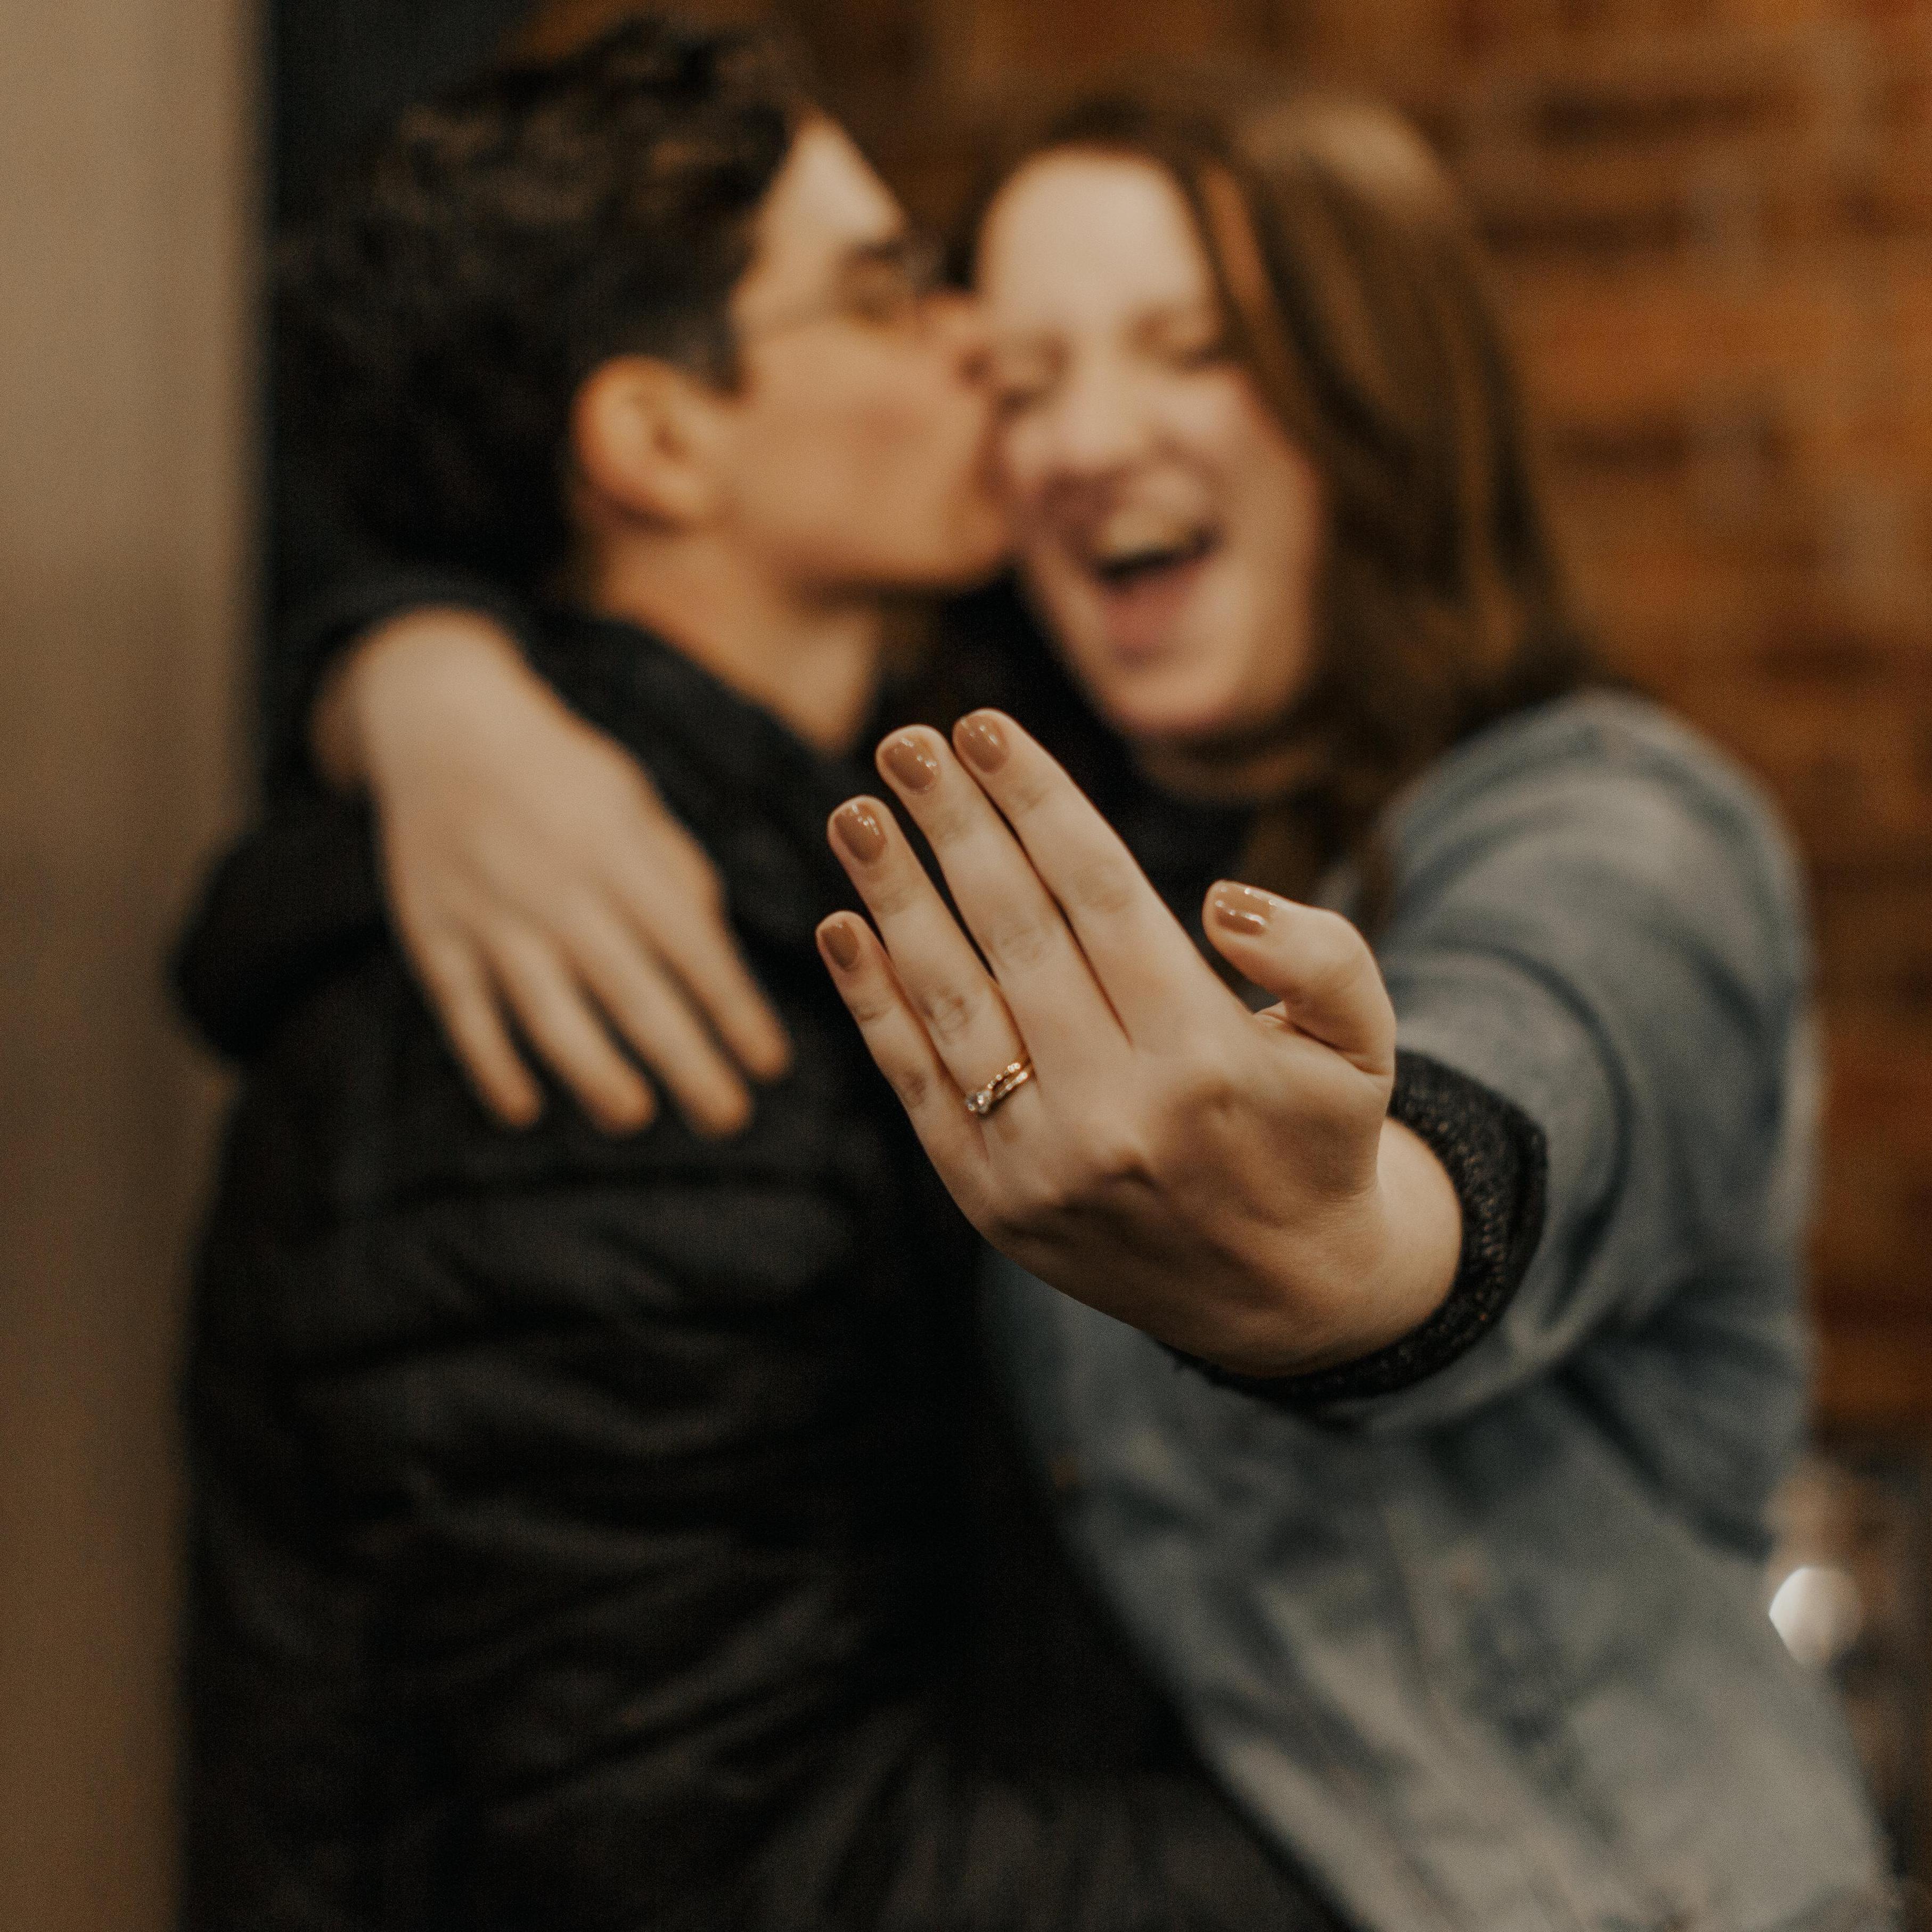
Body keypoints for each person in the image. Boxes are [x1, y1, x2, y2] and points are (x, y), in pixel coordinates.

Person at [240, 65, 1902, 1931]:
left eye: (1188, 349)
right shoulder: (858, 860)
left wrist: (1363, 1236)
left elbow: (1542, 1043)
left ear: (1374, 395)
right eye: (1007, 368)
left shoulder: (1609, 820)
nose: (1061, 433)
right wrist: (410, 677)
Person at [174, 22, 1351, 1928]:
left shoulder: (848, 798)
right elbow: (735, 1853)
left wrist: (394, 665)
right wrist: (1432, 1867)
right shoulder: (571, 1002)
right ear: (655, 439)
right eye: (885, 291)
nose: (976, 336)